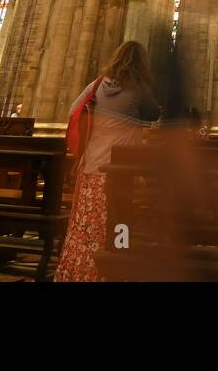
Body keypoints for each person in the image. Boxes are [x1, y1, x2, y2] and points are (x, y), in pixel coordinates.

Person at [56, 40, 161, 282]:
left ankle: (77, 272)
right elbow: (153, 113)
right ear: (141, 64)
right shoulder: (139, 88)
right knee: (119, 220)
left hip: (92, 163)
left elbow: (74, 110)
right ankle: (116, 270)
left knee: (84, 224)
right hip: (122, 168)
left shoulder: (98, 84)